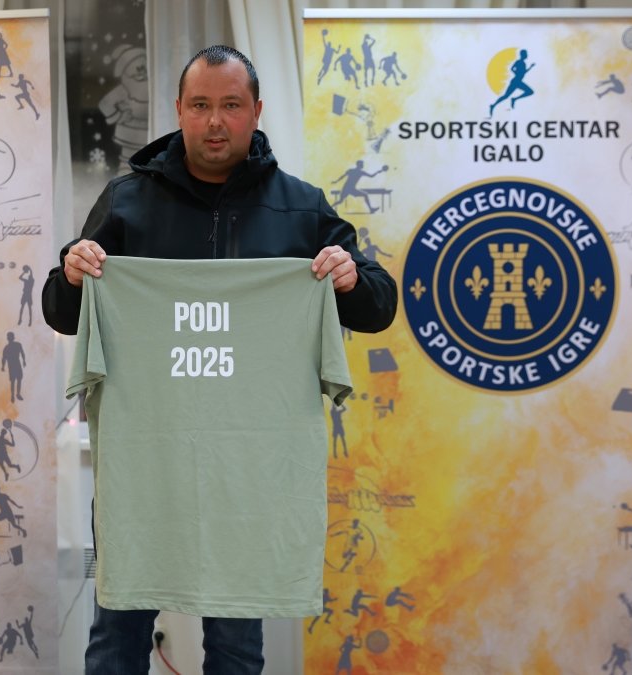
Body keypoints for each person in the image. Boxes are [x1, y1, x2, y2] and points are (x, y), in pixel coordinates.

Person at [42, 45, 397, 674]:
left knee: (235, 643)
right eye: (201, 105)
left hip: (247, 473)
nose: (214, 121)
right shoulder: (126, 202)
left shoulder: (300, 207)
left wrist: (349, 277)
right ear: (179, 109)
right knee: (117, 631)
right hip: (145, 465)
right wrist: (73, 274)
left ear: (256, 112)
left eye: (231, 105)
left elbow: (379, 305)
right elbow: (62, 312)